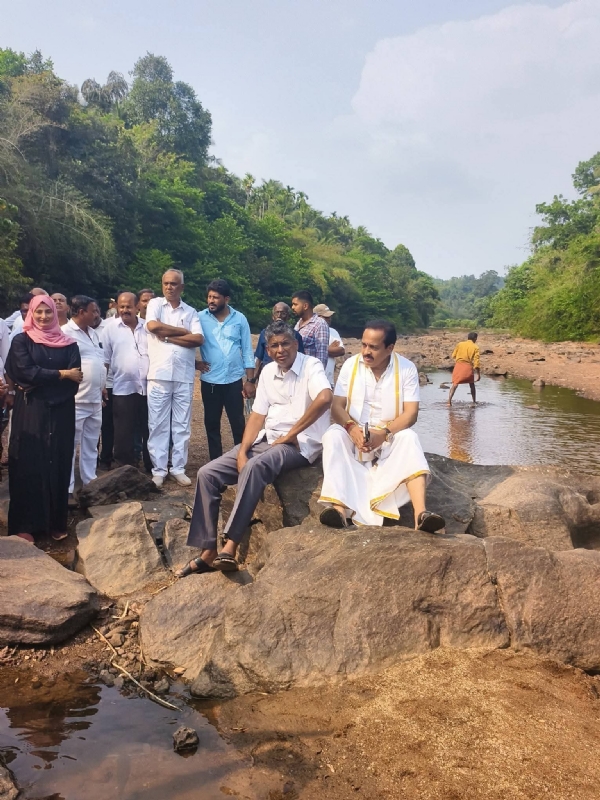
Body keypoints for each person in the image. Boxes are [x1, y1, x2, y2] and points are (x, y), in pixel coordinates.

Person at [177, 320, 332, 577]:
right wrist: (241, 450)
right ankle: (208, 551)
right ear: (268, 350)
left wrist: (291, 434)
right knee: (207, 473)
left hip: (300, 444)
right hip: (267, 439)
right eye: (274, 346)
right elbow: (257, 416)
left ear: (295, 344)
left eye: (285, 343)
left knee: (254, 466)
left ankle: (229, 547)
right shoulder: (269, 372)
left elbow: (325, 398)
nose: (280, 349)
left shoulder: (311, 366)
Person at [318, 320, 445, 532]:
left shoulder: (406, 369)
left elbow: (411, 414)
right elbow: (337, 407)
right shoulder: (351, 365)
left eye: (373, 347)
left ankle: (421, 515)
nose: (366, 351)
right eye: (364, 345)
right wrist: (351, 428)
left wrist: (383, 434)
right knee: (332, 435)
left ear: (390, 348)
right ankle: (339, 511)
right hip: (354, 435)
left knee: (409, 438)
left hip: (389, 436)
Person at [5, 296, 82, 542]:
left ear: (54, 313)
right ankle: (25, 524)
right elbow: (24, 373)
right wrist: (61, 374)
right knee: (29, 463)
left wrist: (43, 382)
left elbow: (76, 378)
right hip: (31, 412)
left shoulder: (69, 344)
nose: (43, 317)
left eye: (47, 312)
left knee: (57, 462)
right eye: (38, 312)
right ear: (30, 313)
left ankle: (54, 523)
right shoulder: (22, 341)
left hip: (60, 411)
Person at [145, 269, 204, 487]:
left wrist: (168, 337)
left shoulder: (190, 311)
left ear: (182, 287)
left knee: (181, 424)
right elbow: (153, 326)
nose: (169, 287)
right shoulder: (154, 305)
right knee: (158, 424)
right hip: (158, 375)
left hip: (183, 375)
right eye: (166, 283)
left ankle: (178, 468)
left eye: (174, 284)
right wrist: (182, 332)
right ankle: (159, 470)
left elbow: (198, 339)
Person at [198, 279, 255, 461]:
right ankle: (216, 463)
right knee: (212, 424)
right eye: (209, 297)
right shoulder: (199, 318)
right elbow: (187, 343)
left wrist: (250, 380)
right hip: (210, 381)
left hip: (233, 381)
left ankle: (241, 458)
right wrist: (195, 363)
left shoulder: (239, 319)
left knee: (238, 423)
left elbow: (247, 350)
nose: (211, 301)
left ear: (226, 299)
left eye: (216, 297)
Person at [102, 292, 151, 470]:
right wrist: (102, 385)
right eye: (121, 307)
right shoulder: (110, 329)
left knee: (149, 428)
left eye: (128, 306)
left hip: (148, 388)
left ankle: (151, 465)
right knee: (123, 430)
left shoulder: (148, 327)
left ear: (137, 307)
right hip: (122, 387)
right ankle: (124, 467)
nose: (124, 310)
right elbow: (105, 360)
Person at [62, 296, 106, 495]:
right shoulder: (65, 333)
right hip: (76, 398)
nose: (97, 315)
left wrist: (102, 386)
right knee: (70, 443)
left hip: (95, 397)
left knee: (91, 442)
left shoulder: (94, 334)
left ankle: (90, 480)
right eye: (94, 311)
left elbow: (98, 361)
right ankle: (67, 485)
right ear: (81, 313)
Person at [254, 302, 304, 381]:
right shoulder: (264, 333)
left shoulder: (295, 335)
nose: (279, 316)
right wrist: (252, 380)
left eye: (283, 313)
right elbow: (258, 358)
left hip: (289, 376)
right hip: (268, 375)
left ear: (288, 317)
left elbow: (300, 358)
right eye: (277, 313)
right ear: (273, 316)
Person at [93, 313, 115, 470]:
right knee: (92, 425)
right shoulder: (72, 331)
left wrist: (104, 383)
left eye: (95, 311)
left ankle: (106, 458)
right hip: (90, 385)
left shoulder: (108, 327)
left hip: (110, 383)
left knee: (107, 424)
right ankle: (91, 459)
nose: (93, 314)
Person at [291, 290, 329, 369]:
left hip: (309, 373)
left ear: (305, 306)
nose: (292, 307)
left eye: (295, 304)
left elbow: (322, 356)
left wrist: (317, 376)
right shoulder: (298, 323)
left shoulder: (319, 324)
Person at [314, 303, 345, 388]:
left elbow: (341, 351)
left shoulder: (333, 331)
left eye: (329, 317)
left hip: (329, 381)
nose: (329, 319)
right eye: (326, 317)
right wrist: (330, 349)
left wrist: (320, 350)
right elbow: (307, 351)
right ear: (317, 317)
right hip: (313, 380)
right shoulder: (310, 331)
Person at [448, 332, 481, 406]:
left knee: (455, 384)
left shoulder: (460, 344)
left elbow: (453, 355)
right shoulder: (475, 347)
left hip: (458, 366)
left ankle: (449, 402)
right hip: (467, 367)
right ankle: (474, 401)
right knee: (471, 384)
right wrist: (478, 374)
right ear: (475, 339)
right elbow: (476, 362)